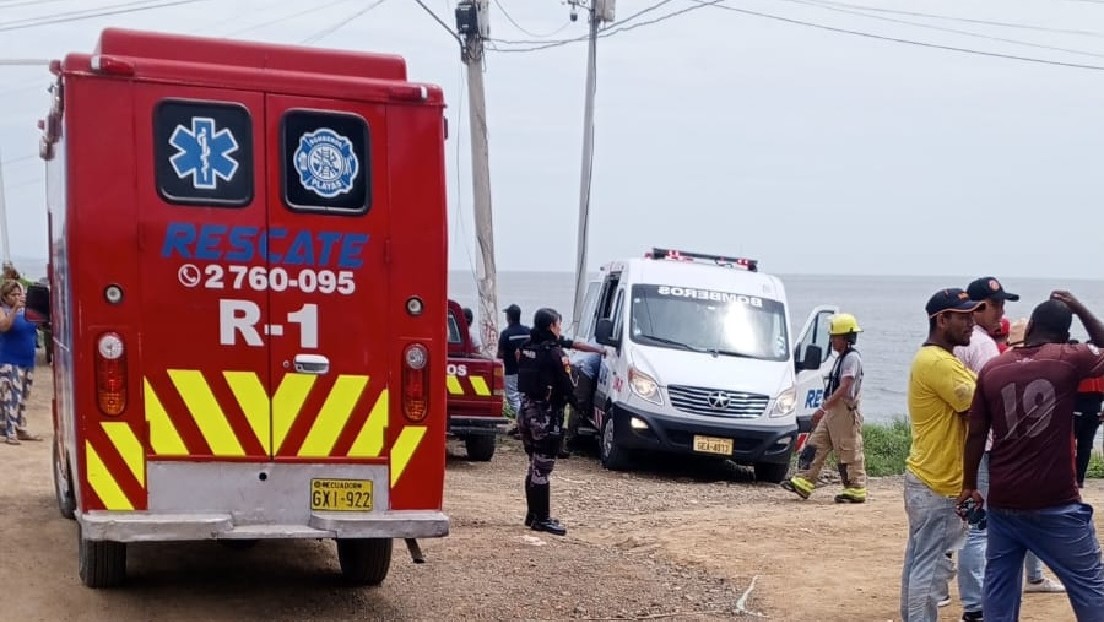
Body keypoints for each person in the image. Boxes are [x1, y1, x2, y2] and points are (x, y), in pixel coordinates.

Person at [961, 292, 1104, 621]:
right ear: (1065, 335)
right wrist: (1079, 305)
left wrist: (969, 485)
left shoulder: (994, 369)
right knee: (1089, 585)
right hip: (1055, 501)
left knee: (999, 588)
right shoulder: (1069, 357)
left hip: (1004, 500)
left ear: (1031, 327)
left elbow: (976, 434)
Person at [900, 288, 978, 622]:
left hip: (926, 476)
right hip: (939, 481)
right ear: (941, 319)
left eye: (973, 315)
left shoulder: (937, 359)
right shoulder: (937, 362)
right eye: (962, 316)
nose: (971, 323)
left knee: (920, 560)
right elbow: (981, 402)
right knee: (931, 570)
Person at [781, 313, 867, 503]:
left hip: (844, 410)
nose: (831, 340)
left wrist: (824, 407)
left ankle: (856, 488)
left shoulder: (851, 359)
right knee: (816, 443)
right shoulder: (841, 357)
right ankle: (804, 480)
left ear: (844, 338)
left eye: (834, 337)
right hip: (834, 410)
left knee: (848, 448)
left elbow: (845, 385)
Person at [516, 308, 580, 536]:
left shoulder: (525, 347)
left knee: (533, 463)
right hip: (545, 415)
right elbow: (568, 385)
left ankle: (532, 514)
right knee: (542, 466)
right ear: (552, 326)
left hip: (526, 412)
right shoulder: (555, 353)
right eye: (559, 325)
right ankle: (542, 518)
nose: (560, 329)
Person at [0, 280, 43, 445]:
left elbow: (40, 326)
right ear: (5, 297)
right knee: (12, 397)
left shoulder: (28, 312)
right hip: (9, 361)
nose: (18, 297)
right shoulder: (3, 311)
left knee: (24, 397)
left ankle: (20, 428)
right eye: (13, 295)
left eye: (20, 294)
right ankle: (9, 433)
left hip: (27, 361)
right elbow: (4, 327)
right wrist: (14, 310)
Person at [1073, 365, 1104, 489]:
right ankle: (1079, 479)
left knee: (1068, 446)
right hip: (1095, 407)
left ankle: (1071, 477)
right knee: (1086, 445)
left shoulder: (1079, 365)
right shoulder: (1100, 366)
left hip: (1077, 405)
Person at [496, 304, 528, 417]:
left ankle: (522, 421)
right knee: (524, 397)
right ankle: (525, 421)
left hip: (511, 370)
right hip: (526, 371)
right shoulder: (528, 331)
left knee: (512, 397)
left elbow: (500, 354)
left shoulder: (505, 333)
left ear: (508, 317)